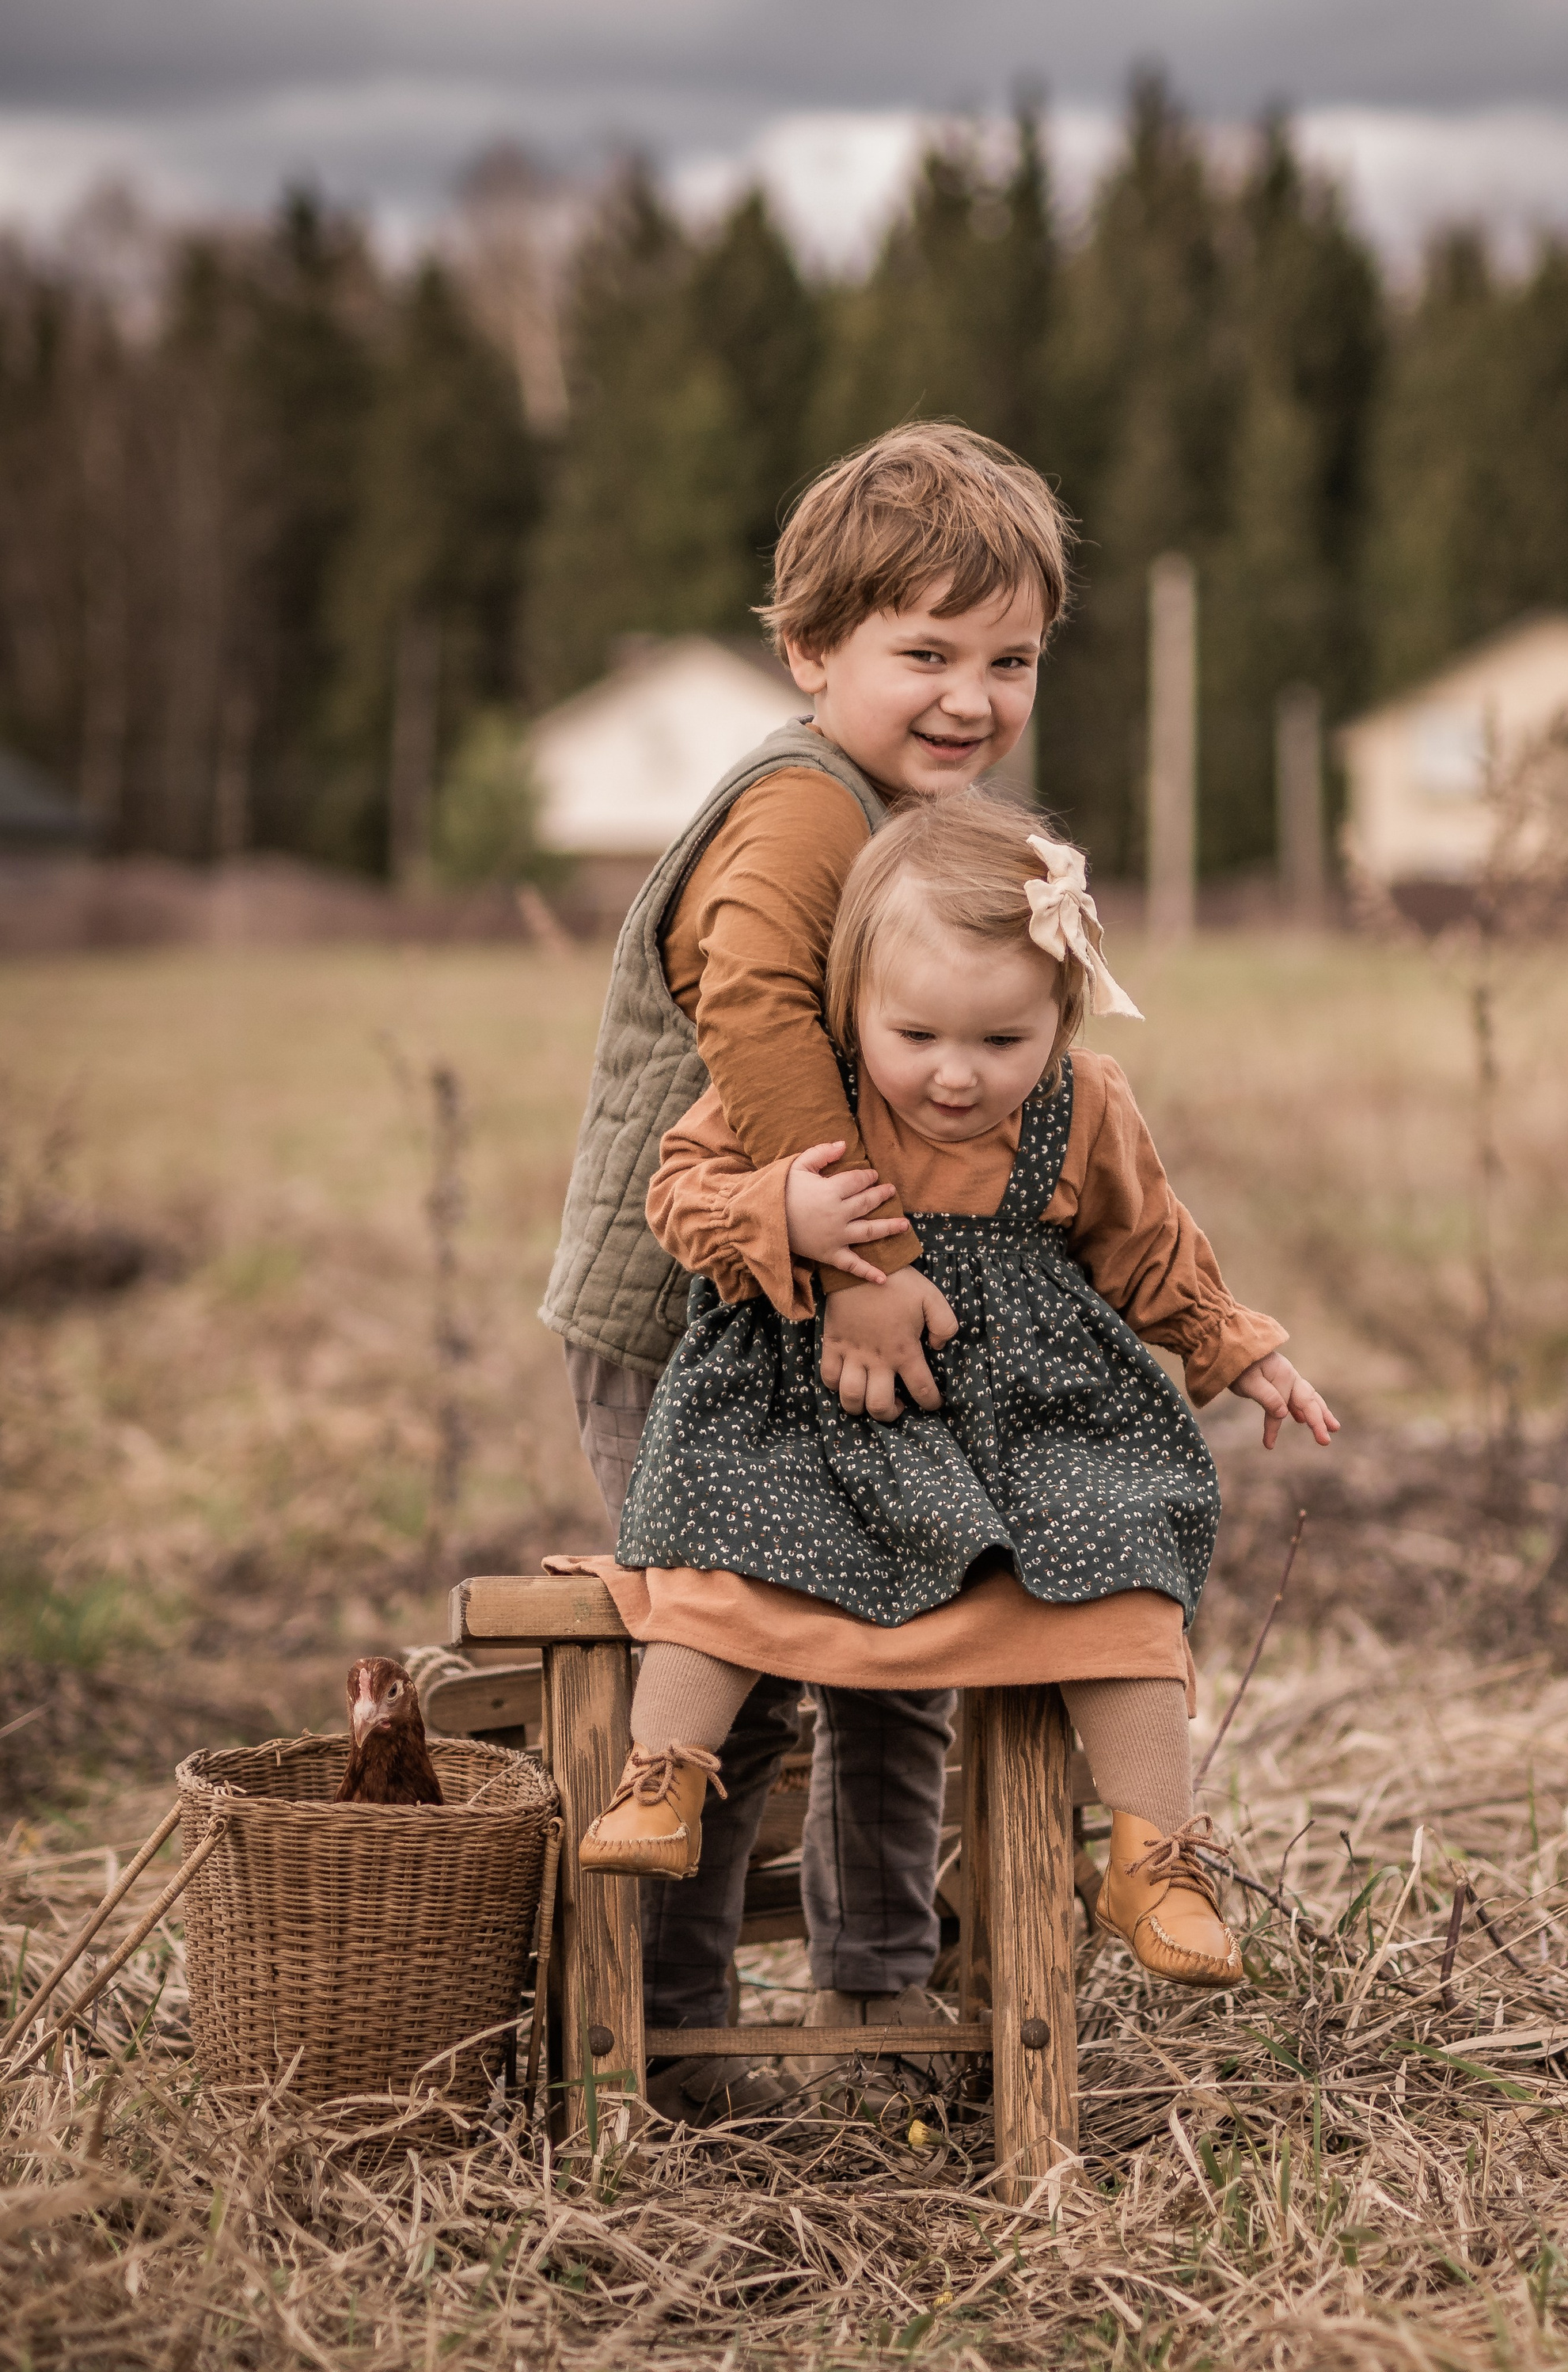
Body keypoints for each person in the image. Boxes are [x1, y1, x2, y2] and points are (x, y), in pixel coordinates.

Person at [576, 793, 1339, 1987]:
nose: (954, 1075)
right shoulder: (809, 1096)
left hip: (1024, 1429)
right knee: (721, 1534)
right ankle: (666, 1770)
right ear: (852, 1005)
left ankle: (1153, 1852)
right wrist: (782, 1210)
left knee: (1125, 1547)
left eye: (1000, 1042)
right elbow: (678, 1194)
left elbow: (1148, 1246)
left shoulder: (1085, 1104)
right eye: (918, 1035)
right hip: (814, 1414)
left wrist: (1237, 1349)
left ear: (1061, 1016)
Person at [538, 424, 1073, 2113]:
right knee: (745, 1658)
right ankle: (673, 2042)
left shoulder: (911, 820)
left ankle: (880, 1996)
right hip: (691, 1319)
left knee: (901, 1647)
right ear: (811, 652)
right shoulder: (794, 810)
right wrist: (862, 1259)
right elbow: (756, 1012)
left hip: (826, 1314)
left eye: (1009, 661)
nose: (971, 698)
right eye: (926, 654)